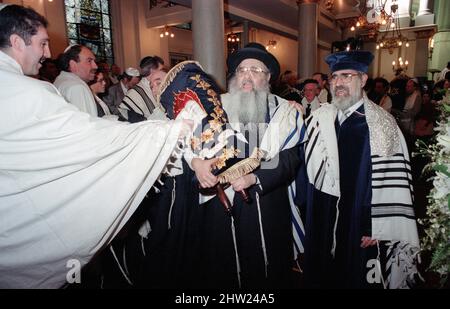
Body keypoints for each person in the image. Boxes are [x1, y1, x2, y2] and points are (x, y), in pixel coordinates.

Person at [0, 4, 192, 288]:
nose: (48, 54)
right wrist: (168, 132)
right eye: (42, 43)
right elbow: (87, 136)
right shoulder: (35, 90)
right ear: (17, 42)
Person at [298, 50, 420, 289]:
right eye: (335, 77)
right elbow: (305, 169)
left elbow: (391, 182)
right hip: (322, 214)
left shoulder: (381, 125)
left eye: (347, 76)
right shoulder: (320, 118)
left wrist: (376, 226)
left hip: (359, 220)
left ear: (363, 80)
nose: (339, 83)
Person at [190, 43, 305, 289]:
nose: (247, 75)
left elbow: (291, 159)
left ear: (268, 77)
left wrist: (255, 178)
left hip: (264, 201)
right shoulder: (214, 107)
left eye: (255, 69)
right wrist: (197, 164)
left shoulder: (284, 111)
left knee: (264, 269)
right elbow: (192, 144)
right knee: (222, 266)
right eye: (242, 70)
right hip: (219, 203)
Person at [54, 44, 98, 116]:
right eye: (89, 61)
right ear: (73, 64)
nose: (95, 66)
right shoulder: (76, 87)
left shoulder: (62, 80)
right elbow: (84, 124)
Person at [119, 55, 166, 121]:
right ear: (152, 71)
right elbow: (134, 119)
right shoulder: (134, 93)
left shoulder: (162, 86)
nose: (163, 73)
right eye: (160, 70)